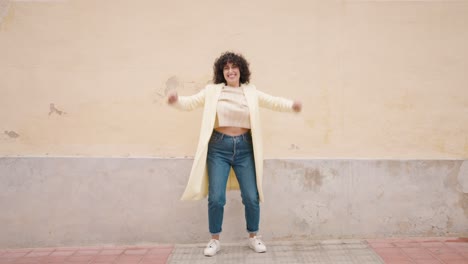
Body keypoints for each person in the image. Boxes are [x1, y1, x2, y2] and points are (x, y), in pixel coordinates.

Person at [167, 51, 302, 256]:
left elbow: (273, 101)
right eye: (226, 68)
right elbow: (190, 103)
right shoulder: (212, 91)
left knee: (251, 196)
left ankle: (253, 237)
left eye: (234, 67)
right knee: (216, 197)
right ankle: (214, 239)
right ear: (222, 72)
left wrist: (292, 105)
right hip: (218, 149)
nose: (230, 71)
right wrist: (175, 101)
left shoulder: (251, 92)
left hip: (245, 149)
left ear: (241, 70)